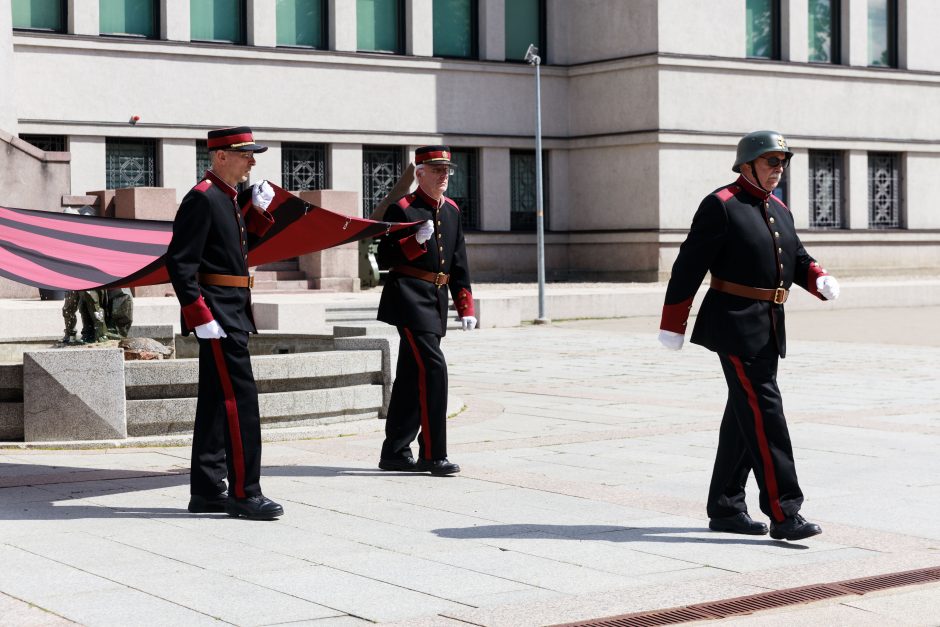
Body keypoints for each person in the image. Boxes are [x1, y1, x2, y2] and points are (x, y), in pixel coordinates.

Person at [658, 130, 840, 542]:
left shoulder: (777, 207)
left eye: (782, 162)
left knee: (745, 412)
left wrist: (817, 277)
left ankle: (725, 506)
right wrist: (673, 324)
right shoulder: (721, 205)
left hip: (769, 321)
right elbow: (688, 267)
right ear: (747, 164)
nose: (778, 170)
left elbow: (794, 255)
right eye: (771, 162)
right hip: (734, 322)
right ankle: (784, 511)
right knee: (765, 411)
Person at [165, 126, 284, 520]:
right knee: (240, 403)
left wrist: (257, 212)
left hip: (232, 308)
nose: (252, 161)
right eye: (245, 154)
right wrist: (200, 316)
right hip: (218, 312)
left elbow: (230, 246)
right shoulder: (202, 198)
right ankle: (245, 493)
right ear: (219, 156)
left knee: (217, 403)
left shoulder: (228, 197)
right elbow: (181, 264)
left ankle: (206, 490)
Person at [375, 145, 477, 476]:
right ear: (419, 173)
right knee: (433, 369)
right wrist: (414, 241)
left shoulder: (451, 210)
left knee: (410, 376)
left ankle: (394, 451)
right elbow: (384, 260)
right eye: (436, 170)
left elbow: (458, 260)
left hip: (436, 299)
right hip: (408, 297)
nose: (444, 175)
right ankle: (433, 454)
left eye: (447, 170)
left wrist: (465, 305)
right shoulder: (402, 208)